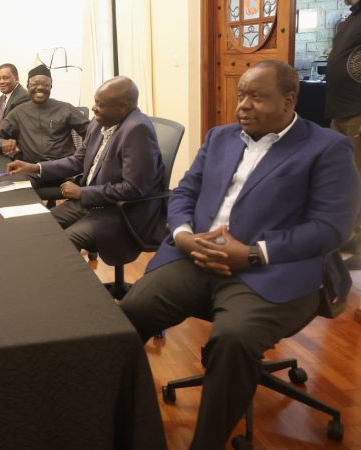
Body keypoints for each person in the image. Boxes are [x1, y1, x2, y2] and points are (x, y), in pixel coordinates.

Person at [119, 60, 361, 450]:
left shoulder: (327, 148)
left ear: (288, 101)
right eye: (242, 95)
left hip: (273, 270)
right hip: (197, 256)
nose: (243, 105)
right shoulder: (220, 137)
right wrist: (183, 236)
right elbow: (184, 192)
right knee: (130, 312)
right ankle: (124, 423)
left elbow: (331, 227)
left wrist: (251, 253)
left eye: (257, 97)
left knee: (233, 339)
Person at [6, 76, 165, 264]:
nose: (93, 108)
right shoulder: (99, 122)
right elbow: (77, 160)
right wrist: (34, 167)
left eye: (100, 105)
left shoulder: (137, 129)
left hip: (120, 211)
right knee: (41, 226)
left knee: (64, 242)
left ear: (122, 107)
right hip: (90, 202)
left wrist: (83, 192)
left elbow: (134, 189)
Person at [0, 64, 89, 163]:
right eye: (34, 84)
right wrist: (4, 143)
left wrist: (82, 156)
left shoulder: (65, 109)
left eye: (45, 84)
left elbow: (92, 132)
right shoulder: (18, 112)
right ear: (28, 86)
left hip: (64, 168)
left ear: (51, 86)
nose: (40, 87)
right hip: (31, 169)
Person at [325, 0, 361, 264]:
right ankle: (347, 234)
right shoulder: (353, 17)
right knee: (341, 179)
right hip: (340, 112)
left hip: (358, 112)